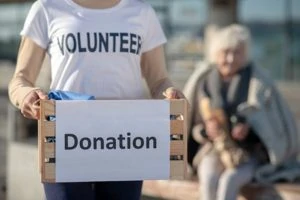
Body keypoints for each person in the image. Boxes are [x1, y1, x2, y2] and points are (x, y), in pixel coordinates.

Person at [8, 0, 185, 199]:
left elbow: (159, 80)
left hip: (127, 142)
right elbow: (20, 80)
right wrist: (26, 96)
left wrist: (170, 93)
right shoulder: (47, 8)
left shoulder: (141, 12)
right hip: (67, 140)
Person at [183, 24, 298, 200]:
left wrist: (249, 133)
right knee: (208, 177)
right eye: (225, 52)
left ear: (245, 54)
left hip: (248, 155)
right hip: (213, 150)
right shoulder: (205, 83)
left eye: (236, 52)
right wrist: (207, 131)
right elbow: (194, 130)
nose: (230, 59)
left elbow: (272, 131)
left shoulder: (257, 83)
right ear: (216, 53)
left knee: (229, 181)